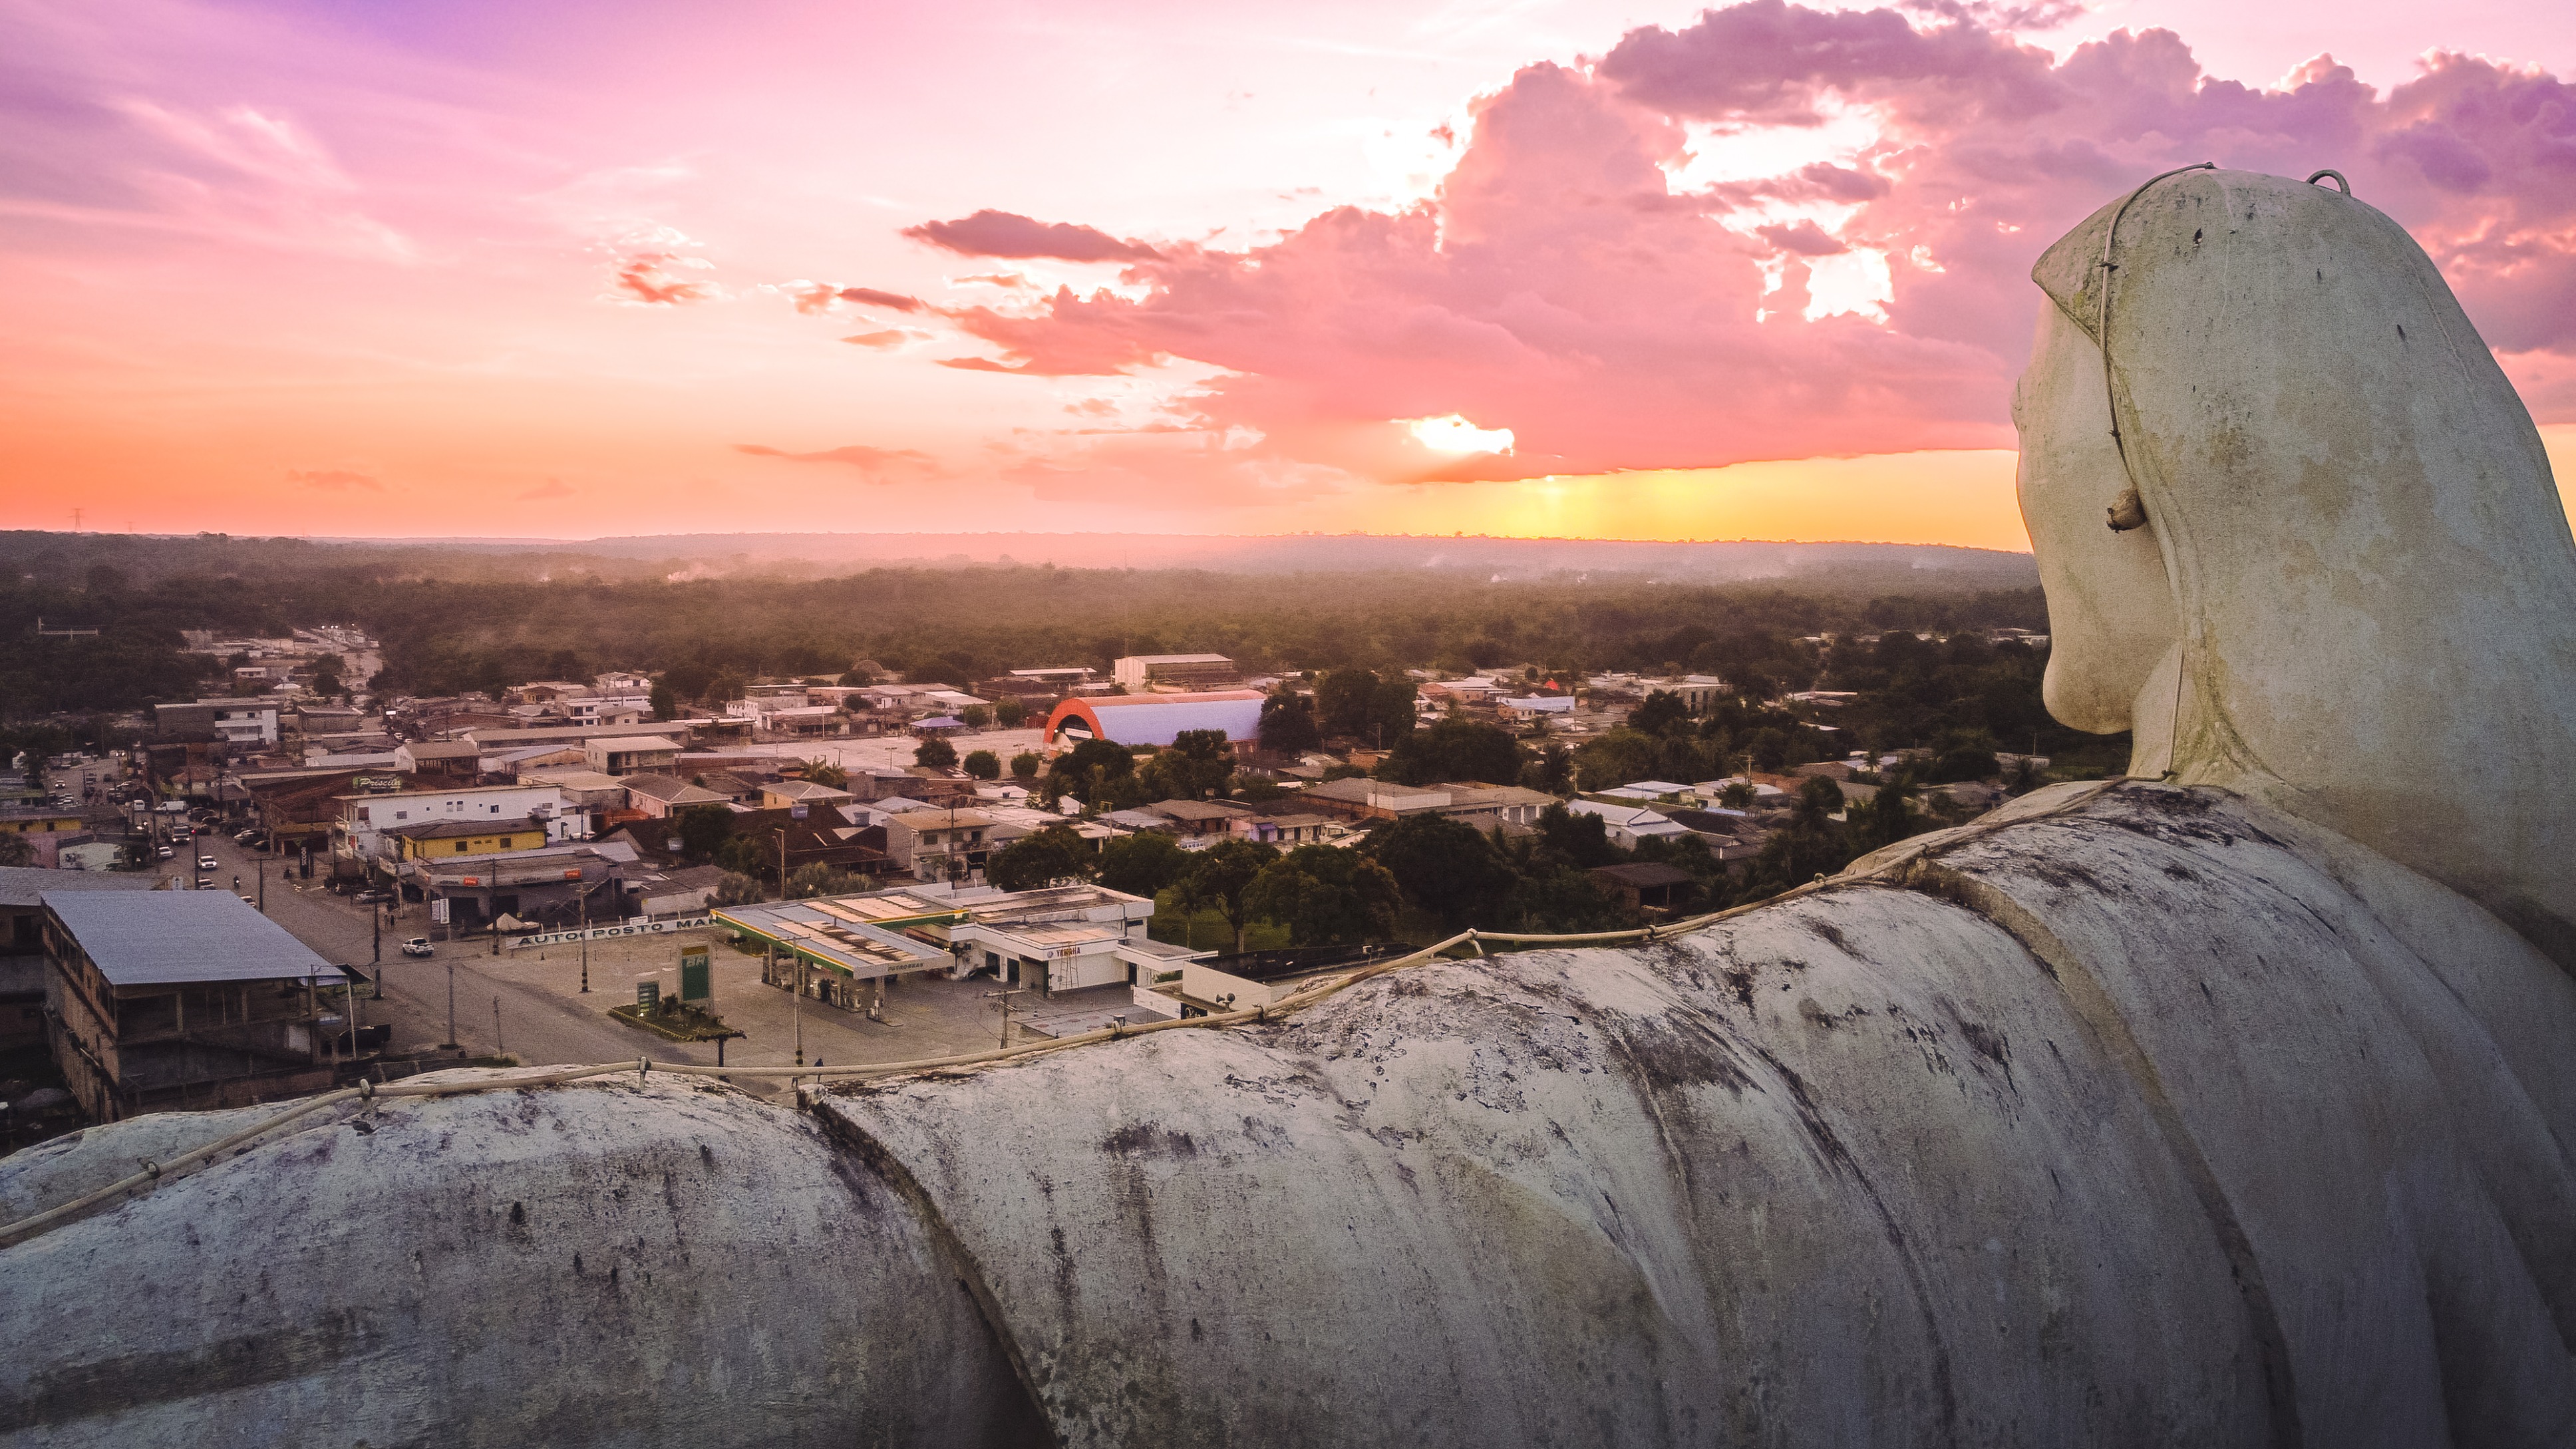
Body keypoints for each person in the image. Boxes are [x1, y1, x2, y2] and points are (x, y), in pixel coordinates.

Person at [3, 170, 2572, 1448]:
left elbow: (1737, 1129)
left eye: (2040, 494)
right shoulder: (2363, 968)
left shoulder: (2281, 961)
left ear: (2159, 513)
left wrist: (781, 1265)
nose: (2028, 561)